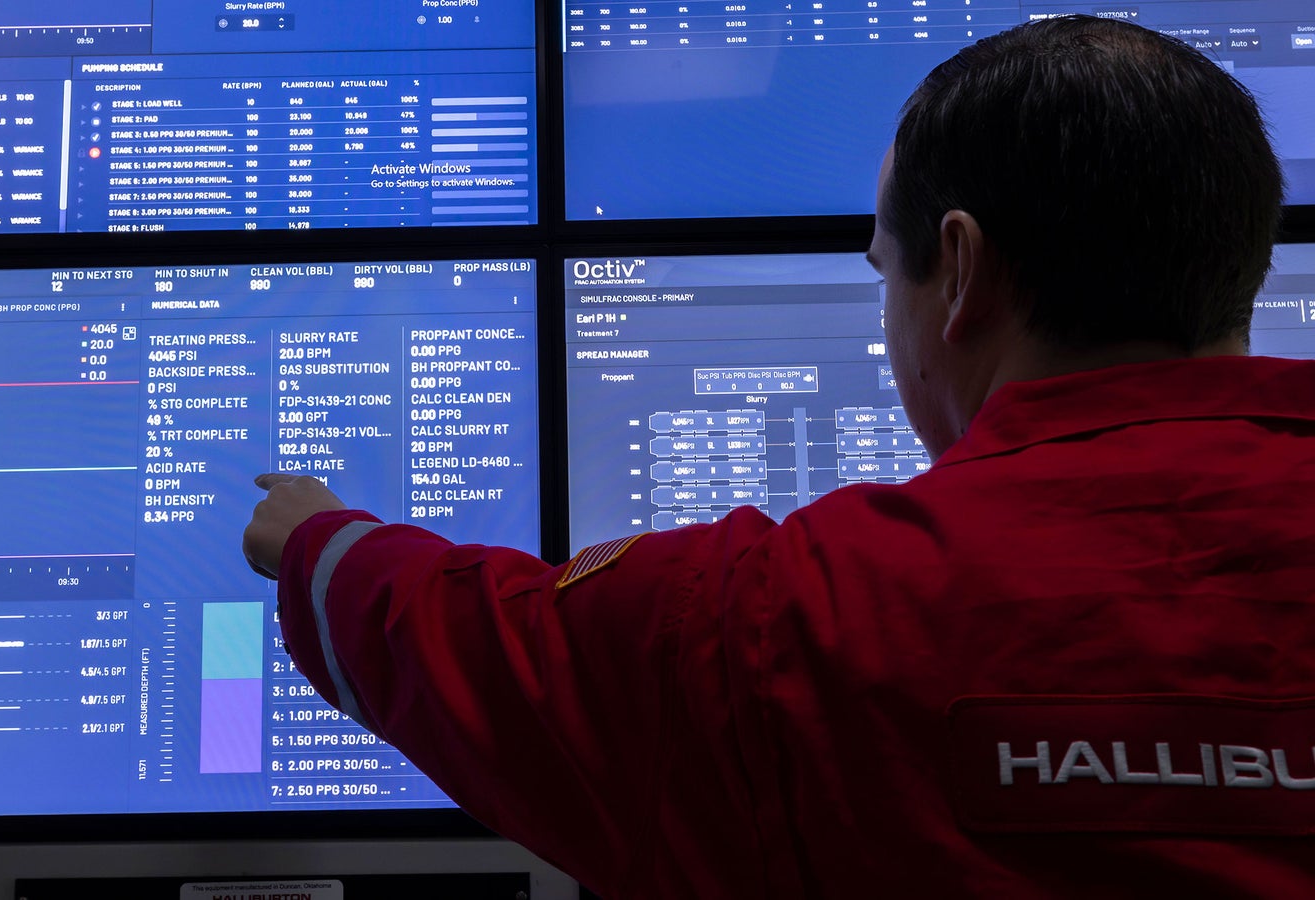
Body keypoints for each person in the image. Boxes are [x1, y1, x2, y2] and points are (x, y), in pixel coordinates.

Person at [244, 15, 1315, 897]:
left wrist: (316, 541)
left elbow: (490, 643)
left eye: (884, 273)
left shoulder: (792, 617)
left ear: (960, 271)